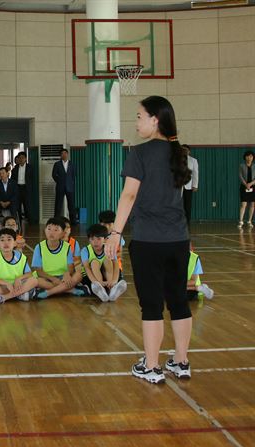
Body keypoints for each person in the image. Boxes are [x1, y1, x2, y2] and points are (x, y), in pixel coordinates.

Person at [105, 95, 193, 385]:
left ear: (155, 120)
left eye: (140, 116)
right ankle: (181, 362)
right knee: (179, 302)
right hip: (178, 240)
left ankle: (152, 366)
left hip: (148, 241)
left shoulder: (140, 153)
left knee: (152, 304)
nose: (136, 122)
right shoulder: (180, 153)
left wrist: (115, 233)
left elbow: (129, 195)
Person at [32, 217, 84, 299]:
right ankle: (69, 290)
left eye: (56, 230)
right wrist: (52, 279)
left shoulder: (67, 247)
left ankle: (49, 292)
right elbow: (38, 271)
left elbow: (70, 267)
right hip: (46, 277)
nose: (51, 232)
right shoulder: (39, 247)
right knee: (35, 281)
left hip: (63, 277)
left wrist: (67, 274)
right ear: (44, 230)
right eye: (49, 229)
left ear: (63, 233)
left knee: (78, 275)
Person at [0, 228, 38, 305]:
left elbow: (29, 273)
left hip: (17, 285)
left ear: (15, 243)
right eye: (2, 240)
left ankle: (5, 297)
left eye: (9, 239)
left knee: (34, 280)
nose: (6, 243)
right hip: (2, 285)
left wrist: (18, 279)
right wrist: (5, 283)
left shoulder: (21, 256)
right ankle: (20, 294)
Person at [81, 224, 126, 302]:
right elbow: (87, 269)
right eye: (92, 239)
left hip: (108, 277)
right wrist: (97, 282)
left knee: (107, 260)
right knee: (94, 262)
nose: (95, 242)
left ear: (105, 239)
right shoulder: (85, 250)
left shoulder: (109, 248)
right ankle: (100, 289)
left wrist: (114, 280)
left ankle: (112, 288)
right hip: (91, 277)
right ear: (89, 240)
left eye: (98, 239)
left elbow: (116, 265)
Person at [52, 148, 76, 225]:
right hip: (60, 187)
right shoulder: (57, 164)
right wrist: (59, 182)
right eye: (62, 154)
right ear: (60, 155)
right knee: (58, 205)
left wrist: (70, 183)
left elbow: (74, 174)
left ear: (67, 154)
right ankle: (56, 221)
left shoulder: (72, 164)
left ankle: (73, 222)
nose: (64, 155)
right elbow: (54, 175)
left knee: (71, 205)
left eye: (65, 153)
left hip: (70, 187)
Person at [0, 167, 18, 233]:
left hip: (10, 202)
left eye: (3, 173)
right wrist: (1, 202)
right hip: (1, 202)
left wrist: (9, 202)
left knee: (14, 206)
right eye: (0, 174)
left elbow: (16, 194)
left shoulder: (13, 182)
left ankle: (14, 227)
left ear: (7, 174)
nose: (1, 175)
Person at [12, 152, 32, 221]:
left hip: (26, 188)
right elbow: (12, 180)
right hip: (18, 188)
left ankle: (30, 221)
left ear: (25, 159)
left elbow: (33, 179)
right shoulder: (15, 168)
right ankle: (19, 221)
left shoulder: (30, 167)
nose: (21, 159)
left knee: (27, 205)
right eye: (19, 158)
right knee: (18, 206)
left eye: (23, 158)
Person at [182, 144, 198, 227]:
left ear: (189, 151)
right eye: (183, 149)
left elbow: (195, 173)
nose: (184, 151)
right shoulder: (176, 160)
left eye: (186, 150)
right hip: (178, 186)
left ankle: (187, 221)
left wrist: (195, 185)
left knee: (187, 205)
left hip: (189, 185)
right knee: (176, 204)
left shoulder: (193, 160)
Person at [239, 150, 255, 228]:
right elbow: (240, 176)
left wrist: (251, 184)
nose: (249, 158)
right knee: (243, 204)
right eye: (248, 156)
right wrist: (246, 184)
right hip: (244, 186)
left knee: (252, 204)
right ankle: (241, 221)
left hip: (253, 187)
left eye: (251, 156)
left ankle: (249, 221)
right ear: (245, 157)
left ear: (253, 157)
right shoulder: (241, 165)